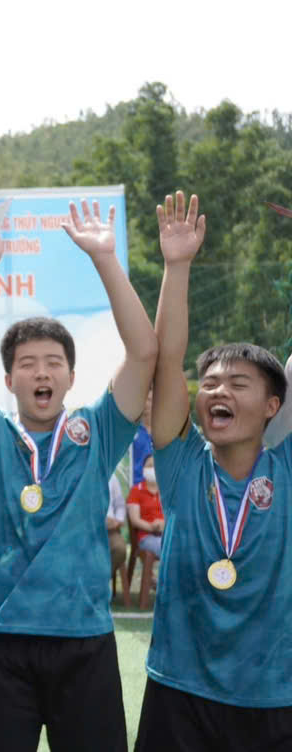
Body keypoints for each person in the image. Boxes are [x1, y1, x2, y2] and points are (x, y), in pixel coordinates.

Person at [0, 197, 157, 751]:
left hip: (83, 637)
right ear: (9, 380)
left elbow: (143, 355)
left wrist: (105, 260)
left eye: (53, 362)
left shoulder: (98, 431)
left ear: (70, 376)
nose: (41, 372)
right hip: (1, 637)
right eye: (27, 364)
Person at [136, 192, 292, 750]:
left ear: (273, 405)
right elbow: (166, 360)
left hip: (273, 698)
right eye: (211, 383)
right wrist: (177, 266)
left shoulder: (285, 467)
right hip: (179, 693)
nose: (219, 390)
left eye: (238, 383)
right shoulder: (181, 464)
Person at [126, 460, 165, 558]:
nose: (153, 469)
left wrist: (164, 526)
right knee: (167, 548)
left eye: (156, 465)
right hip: (146, 536)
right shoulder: (136, 490)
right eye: (150, 465)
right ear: (143, 469)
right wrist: (154, 527)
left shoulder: (166, 490)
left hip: (166, 534)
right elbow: (135, 520)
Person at [106, 473, 128, 592]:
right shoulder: (79, 473)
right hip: (86, 530)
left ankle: (99, 582)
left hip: (110, 530)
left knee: (120, 549)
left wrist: (118, 521)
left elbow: (120, 505)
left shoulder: (112, 476)